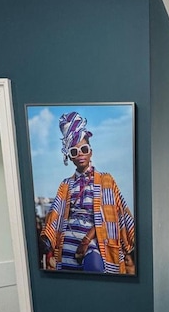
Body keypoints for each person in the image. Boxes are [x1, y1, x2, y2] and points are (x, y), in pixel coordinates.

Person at [40, 111, 135, 274]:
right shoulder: (66, 184)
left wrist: (86, 241)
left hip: (96, 240)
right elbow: (54, 218)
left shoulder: (106, 180)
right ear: (69, 157)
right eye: (74, 152)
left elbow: (118, 213)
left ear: (91, 151)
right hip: (68, 242)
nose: (80, 155)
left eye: (84, 149)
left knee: (96, 272)